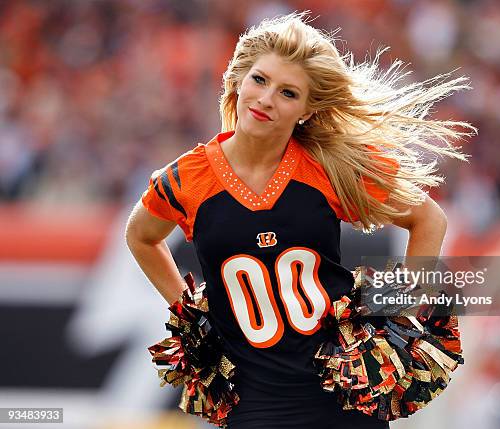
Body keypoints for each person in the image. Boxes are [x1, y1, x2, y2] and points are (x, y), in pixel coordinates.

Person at [125, 12, 474, 429]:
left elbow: (428, 219)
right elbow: (141, 236)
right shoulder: (186, 178)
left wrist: (399, 311)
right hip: (253, 398)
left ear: (307, 110)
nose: (267, 99)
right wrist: (188, 311)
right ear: (237, 80)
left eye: (288, 92)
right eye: (259, 80)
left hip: (342, 395)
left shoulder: (328, 167)